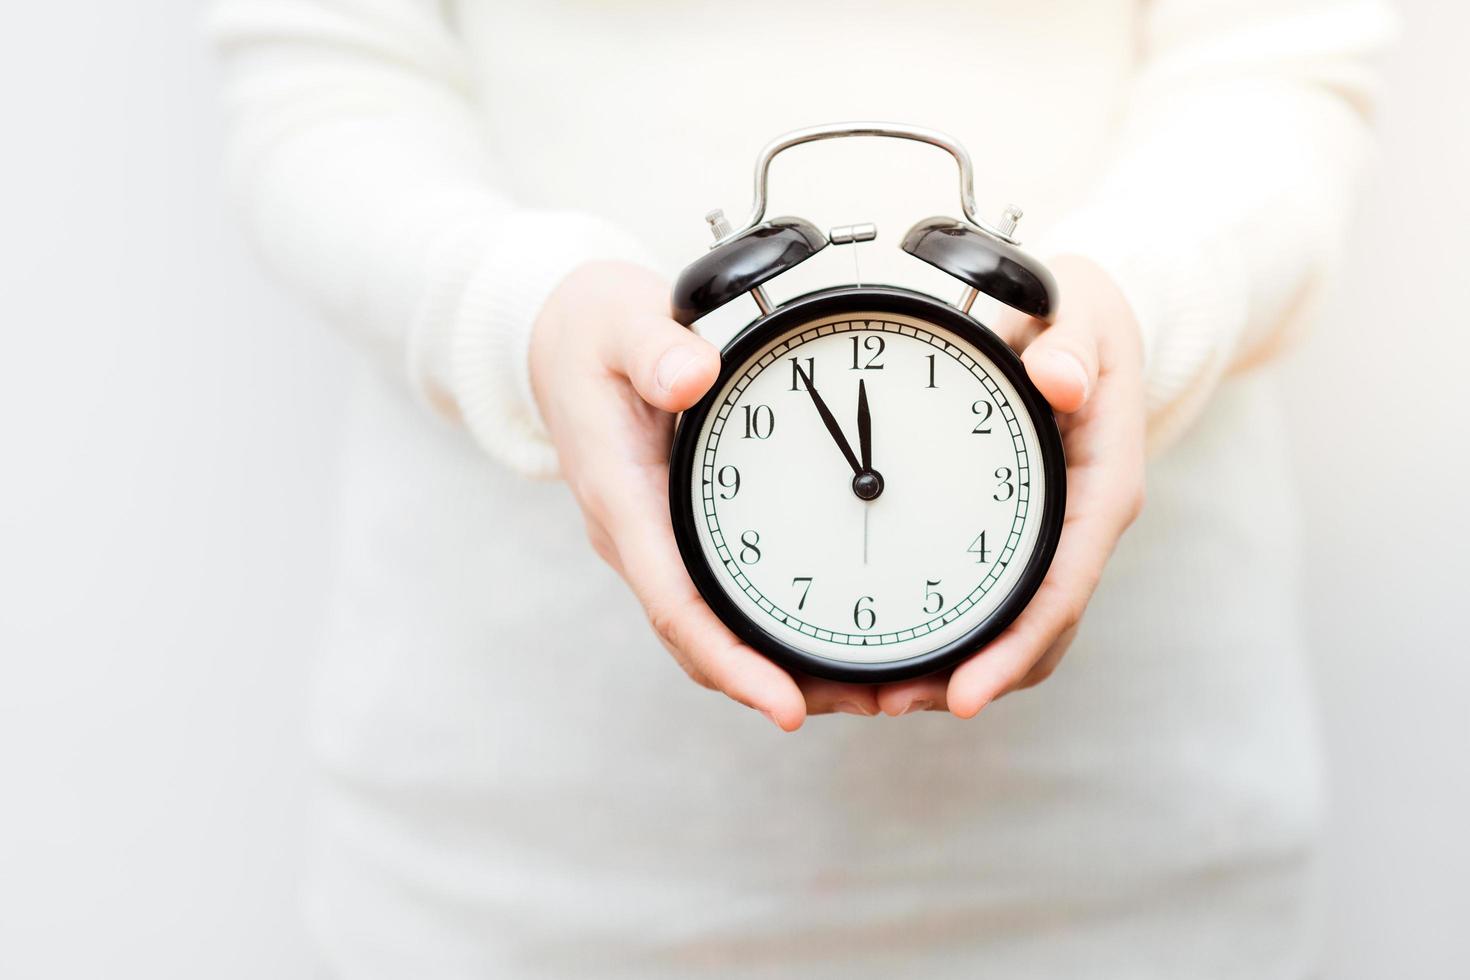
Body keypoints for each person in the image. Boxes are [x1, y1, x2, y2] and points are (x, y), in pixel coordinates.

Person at [211, 0, 1395, 975]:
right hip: (518, 851)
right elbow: (324, 88)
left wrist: (1136, 305)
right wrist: (526, 313)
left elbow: (1277, 70)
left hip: (1124, 856)